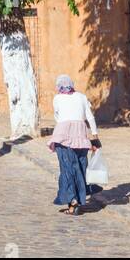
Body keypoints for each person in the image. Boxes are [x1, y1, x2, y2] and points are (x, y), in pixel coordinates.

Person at [48, 74, 100, 214]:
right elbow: (90, 117)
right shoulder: (82, 97)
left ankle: (72, 200)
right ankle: (76, 201)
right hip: (81, 135)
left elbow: (58, 116)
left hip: (63, 134)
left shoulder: (57, 98)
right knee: (81, 166)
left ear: (58, 86)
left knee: (67, 168)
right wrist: (95, 138)